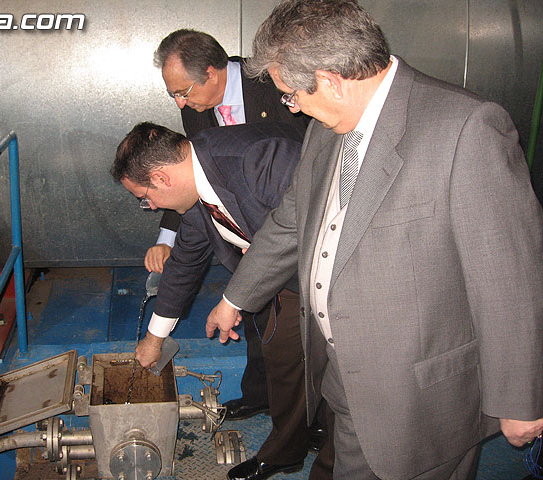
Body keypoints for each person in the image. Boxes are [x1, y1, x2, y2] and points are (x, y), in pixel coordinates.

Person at [206, 1, 543, 479]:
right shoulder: (327, 131)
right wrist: (236, 295)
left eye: (291, 96)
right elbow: (290, 222)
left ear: (331, 80)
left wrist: (522, 396)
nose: (293, 107)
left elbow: (510, 278)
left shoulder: (465, 130)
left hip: (422, 401)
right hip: (347, 382)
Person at [112, 121, 332, 480]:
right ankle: (289, 448)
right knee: (283, 355)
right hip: (284, 276)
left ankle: (327, 448)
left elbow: (311, 226)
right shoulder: (198, 193)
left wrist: (232, 301)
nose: (150, 207)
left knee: (339, 381)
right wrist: (154, 339)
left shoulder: (255, 159)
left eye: (144, 198)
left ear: (162, 178)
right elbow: (184, 263)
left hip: (335, 272)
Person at [148, 28, 310, 424]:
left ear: (212, 72)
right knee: (253, 315)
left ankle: (311, 416)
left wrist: (275, 236)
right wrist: (168, 236)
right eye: (174, 95)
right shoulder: (194, 105)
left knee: (303, 332)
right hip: (242, 230)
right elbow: (191, 170)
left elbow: (309, 161)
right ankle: (260, 395)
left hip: (298, 227)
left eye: (182, 91)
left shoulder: (275, 82)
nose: (180, 102)